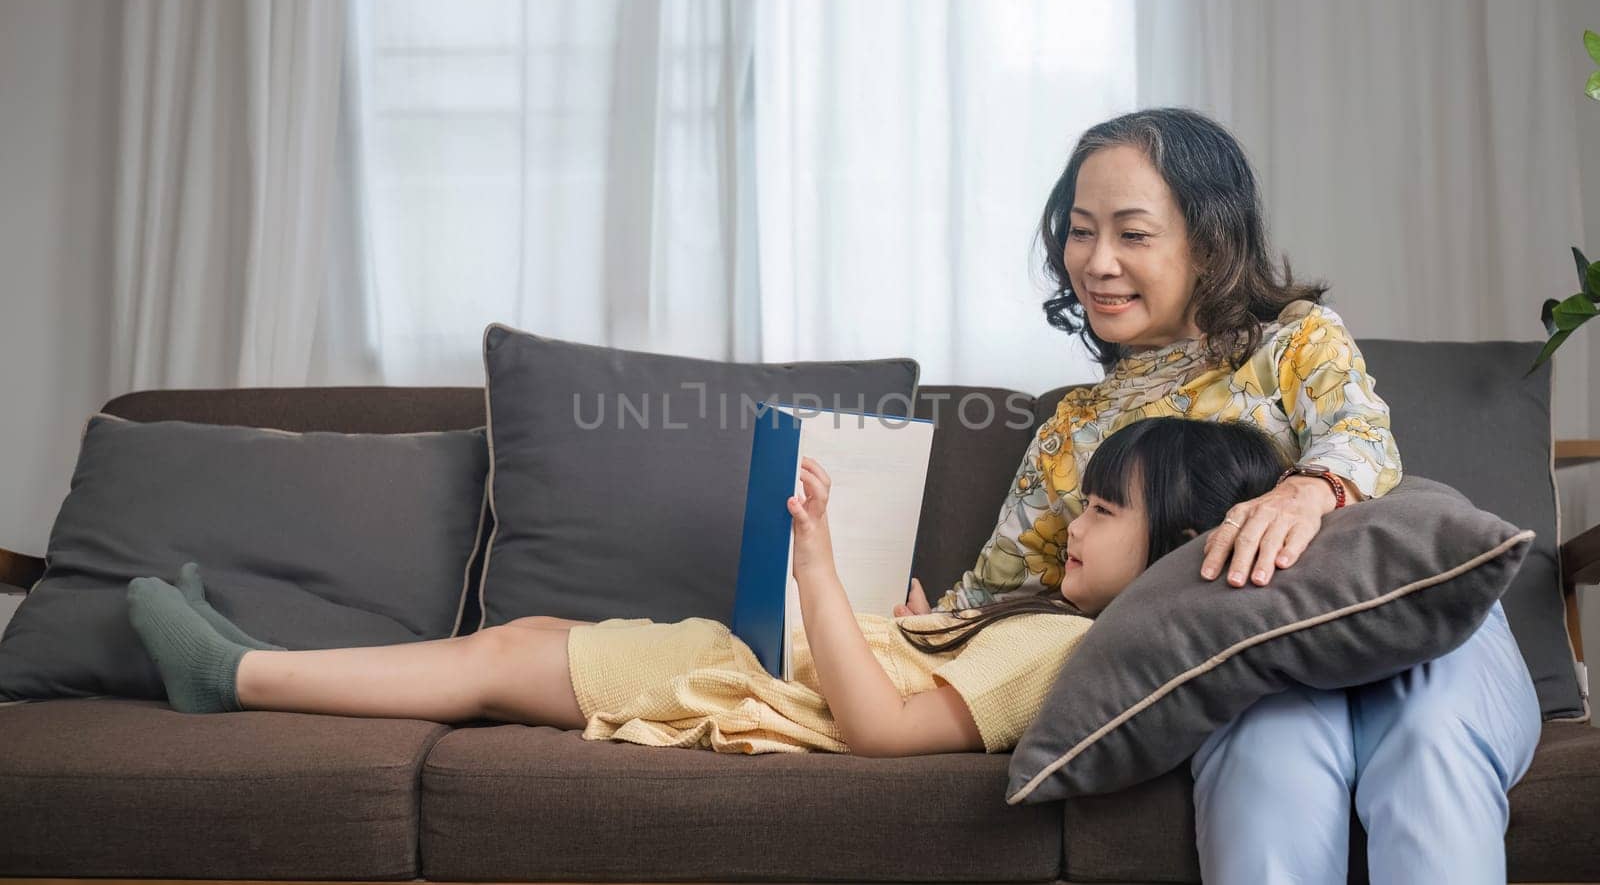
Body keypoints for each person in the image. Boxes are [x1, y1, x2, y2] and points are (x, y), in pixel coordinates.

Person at [899, 107, 1540, 883]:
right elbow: (998, 590)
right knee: (1269, 758)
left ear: (1208, 243)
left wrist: (1303, 492)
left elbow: (1362, 437)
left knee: (1429, 741)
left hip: (1420, 638)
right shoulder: (1074, 429)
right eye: (1080, 230)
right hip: (1250, 669)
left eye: (1132, 234)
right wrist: (925, 633)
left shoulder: (1298, 341)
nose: (1097, 262)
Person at [125, 416, 1281, 760]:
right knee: (514, 638)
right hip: (757, 664)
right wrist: (927, 626)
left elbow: (880, 729)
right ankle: (249, 656)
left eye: (1100, 510)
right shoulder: (1051, 628)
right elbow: (924, 682)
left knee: (489, 662)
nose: (1069, 524)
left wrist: (820, 568)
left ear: (1177, 542)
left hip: (750, 685)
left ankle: (227, 674)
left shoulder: (1064, 656)